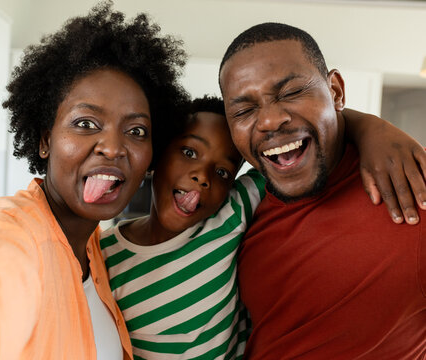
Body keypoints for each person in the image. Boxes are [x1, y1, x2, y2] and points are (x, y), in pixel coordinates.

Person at [0, 2, 189, 360]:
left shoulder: (91, 245)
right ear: (45, 140)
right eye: (86, 123)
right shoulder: (19, 235)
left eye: (136, 130)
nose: (112, 147)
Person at [99, 95, 425, 359]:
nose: (203, 175)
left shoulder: (230, 212)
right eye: (188, 152)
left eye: (223, 172)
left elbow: (305, 145)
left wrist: (370, 127)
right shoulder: (103, 254)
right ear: (156, 155)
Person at [219, 22, 426, 359]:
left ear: (336, 92)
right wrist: (368, 125)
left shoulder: (411, 194)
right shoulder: (237, 206)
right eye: (243, 110)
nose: (270, 121)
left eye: (290, 92)